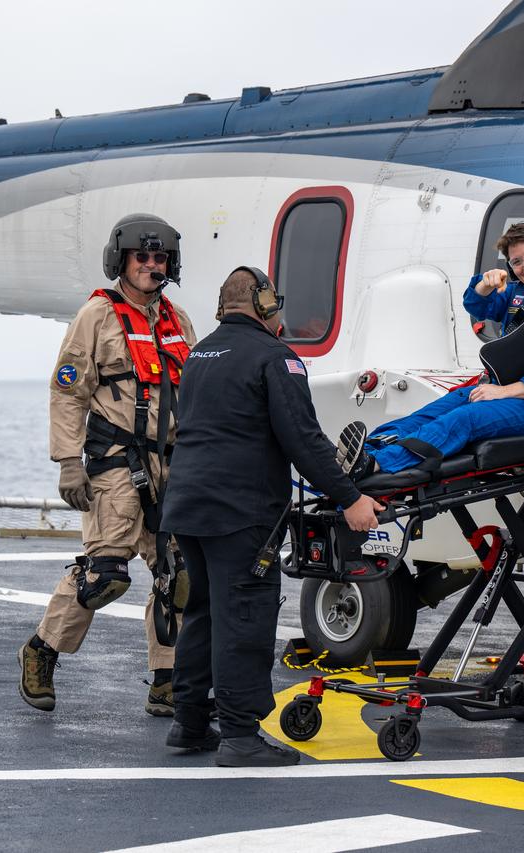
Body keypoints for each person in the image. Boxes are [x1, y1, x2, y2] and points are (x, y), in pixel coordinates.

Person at [159, 266, 384, 767]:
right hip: (239, 512)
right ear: (264, 305)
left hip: (188, 508)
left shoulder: (200, 355)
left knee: (204, 613)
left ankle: (190, 722)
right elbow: (302, 438)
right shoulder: (275, 358)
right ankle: (239, 735)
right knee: (244, 617)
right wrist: (350, 498)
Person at [18, 213, 196, 716]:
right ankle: (40, 651)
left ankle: (167, 679)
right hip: (116, 462)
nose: (151, 265)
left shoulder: (177, 321)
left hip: (172, 465)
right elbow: (67, 390)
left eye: (160, 257)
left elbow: (198, 394)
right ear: (122, 259)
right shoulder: (95, 317)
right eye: (142, 256)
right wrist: (68, 462)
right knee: (104, 575)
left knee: (176, 572)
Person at [339, 221, 524, 478]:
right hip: (502, 390)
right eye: (516, 262)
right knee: (430, 413)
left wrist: (505, 391)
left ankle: (376, 464)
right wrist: (485, 284)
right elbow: (477, 306)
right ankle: (362, 451)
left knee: (463, 419)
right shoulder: (520, 293)